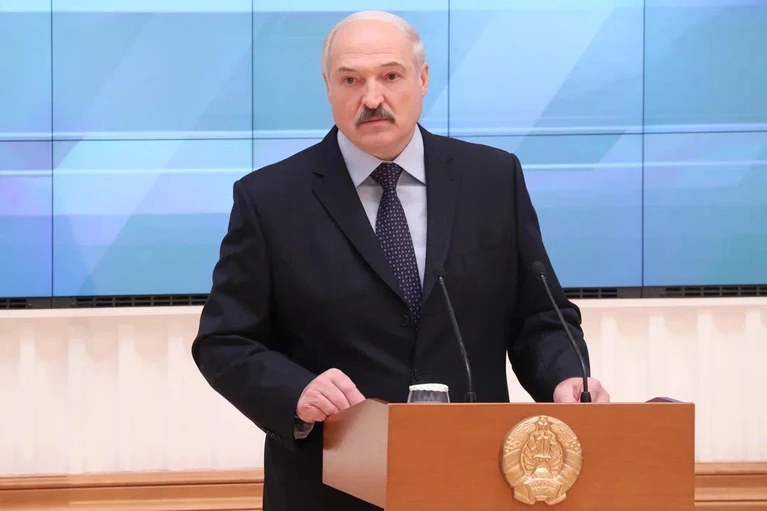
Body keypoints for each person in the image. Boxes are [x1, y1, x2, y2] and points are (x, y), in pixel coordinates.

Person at [191, 9, 610, 511]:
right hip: (330, 485)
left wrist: (563, 376)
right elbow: (224, 341)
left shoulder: (493, 178)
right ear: (328, 87)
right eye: (351, 80)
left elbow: (539, 315)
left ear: (422, 79)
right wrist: (295, 391)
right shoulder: (270, 199)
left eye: (390, 76)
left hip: (476, 478)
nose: (372, 98)